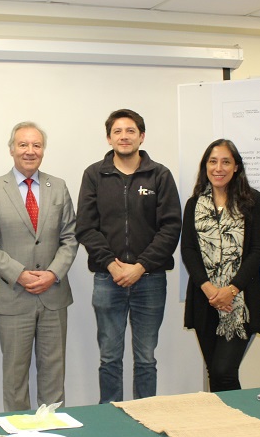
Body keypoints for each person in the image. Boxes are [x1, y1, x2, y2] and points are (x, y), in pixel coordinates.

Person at [76, 108, 182, 403]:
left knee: (146, 357)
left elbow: (171, 227)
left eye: (130, 131)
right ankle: (110, 415)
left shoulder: (159, 175)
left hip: (149, 280)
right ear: (109, 138)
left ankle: (146, 415)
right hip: (107, 279)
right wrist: (111, 264)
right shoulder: (94, 175)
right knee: (109, 357)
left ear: (141, 136)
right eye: (118, 132)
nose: (124, 136)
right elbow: (85, 226)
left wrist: (140, 266)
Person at [0, 122, 79, 411]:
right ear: (12, 149)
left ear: (43, 150)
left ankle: (54, 435)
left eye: (36, 145)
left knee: (53, 375)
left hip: (53, 296)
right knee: (15, 377)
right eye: (23, 145)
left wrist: (53, 273)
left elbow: (70, 237)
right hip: (13, 298)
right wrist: (19, 274)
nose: (30, 151)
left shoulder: (57, 186)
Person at [180, 139, 260, 392]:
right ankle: (223, 427)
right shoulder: (194, 203)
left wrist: (231, 289)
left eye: (226, 162)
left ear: (236, 167)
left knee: (224, 371)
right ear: (205, 166)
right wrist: (209, 289)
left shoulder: (253, 201)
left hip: (239, 300)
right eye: (213, 161)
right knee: (214, 373)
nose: (219, 168)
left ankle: (239, 427)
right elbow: (188, 250)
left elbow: (257, 251)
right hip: (204, 299)